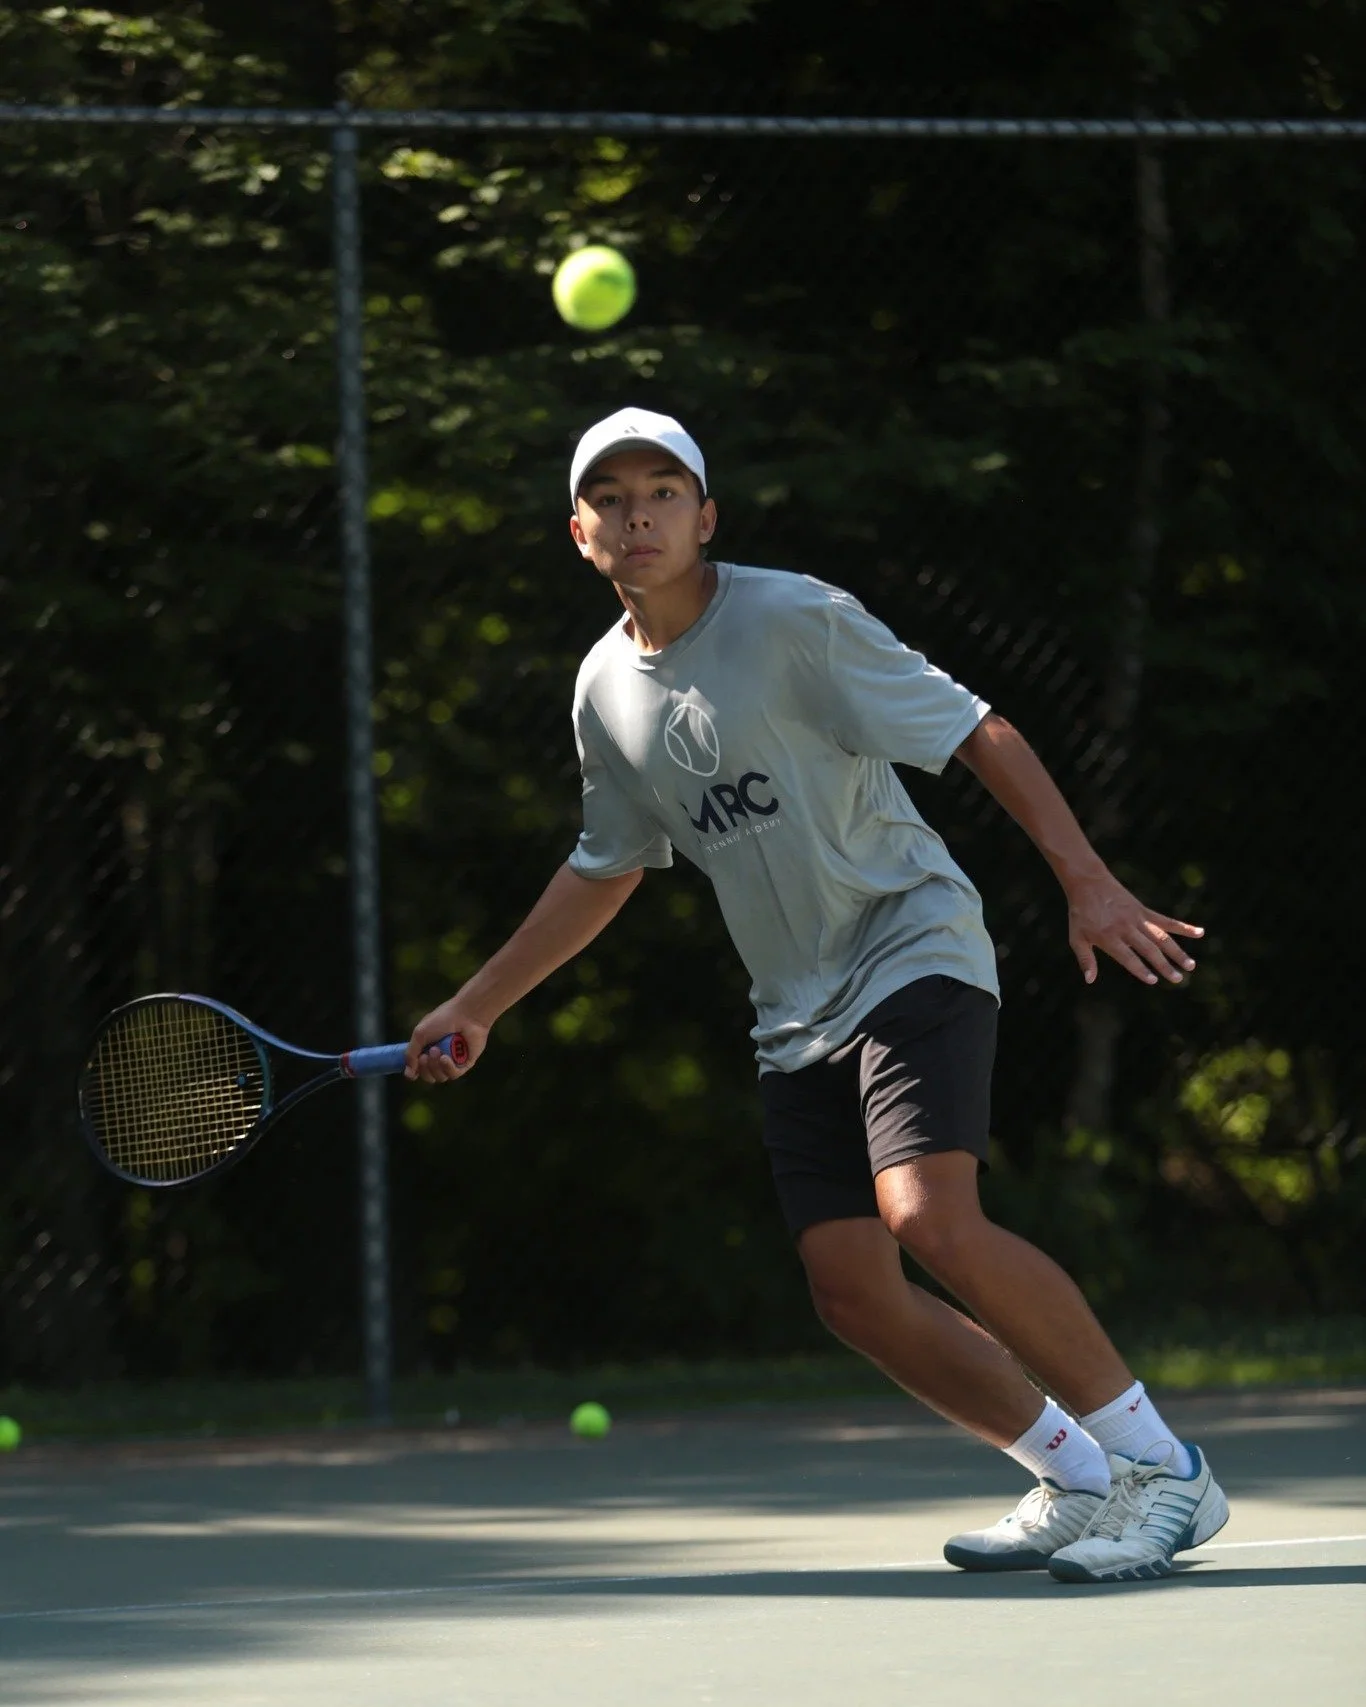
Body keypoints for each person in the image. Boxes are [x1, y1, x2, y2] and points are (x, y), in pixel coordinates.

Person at [405, 406, 1228, 1585]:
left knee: (928, 1218)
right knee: (851, 1290)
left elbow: (975, 729)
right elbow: (608, 864)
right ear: (577, 532)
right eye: (612, 499)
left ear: (706, 516)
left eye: (663, 493)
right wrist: (478, 1002)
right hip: (794, 1007)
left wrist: (1087, 884)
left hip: (911, 942)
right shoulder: (602, 689)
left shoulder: (794, 616)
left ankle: (1165, 1475)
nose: (639, 515)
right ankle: (1077, 1478)